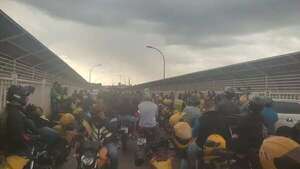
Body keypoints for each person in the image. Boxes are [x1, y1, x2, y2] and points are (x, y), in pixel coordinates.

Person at [5, 85, 35, 154]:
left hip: (10, 143)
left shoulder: (12, 109)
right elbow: (18, 139)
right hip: (12, 148)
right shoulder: (15, 114)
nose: (27, 98)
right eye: (25, 96)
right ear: (18, 97)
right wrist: (33, 138)